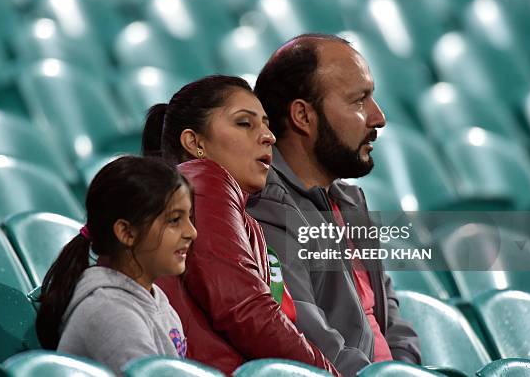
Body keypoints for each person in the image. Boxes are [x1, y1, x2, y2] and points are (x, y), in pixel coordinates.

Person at [247, 34, 421, 376]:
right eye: (359, 101)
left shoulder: (351, 202)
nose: (378, 117)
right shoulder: (267, 210)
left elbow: (394, 324)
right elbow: (308, 341)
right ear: (303, 116)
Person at [143, 75, 340, 376]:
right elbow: (245, 310)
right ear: (195, 142)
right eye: (244, 124)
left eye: (266, 125)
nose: (268, 137)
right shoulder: (202, 180)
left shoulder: (235, 210)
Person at [36, 156, 196, 374]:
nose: (191, 232)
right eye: (175, 220)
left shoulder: (156, 301)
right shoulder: (110, 313)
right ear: (127, 232)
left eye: (189, 218)